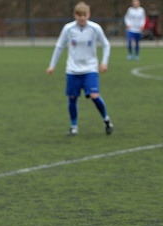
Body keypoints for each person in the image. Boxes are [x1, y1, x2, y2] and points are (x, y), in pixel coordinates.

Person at [46, 1, 113, 136]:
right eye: (79, 15)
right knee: (72, 98)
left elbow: (106, 45)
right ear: (74, 15)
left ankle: (107, 120)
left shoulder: (95, 28)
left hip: (90, 69)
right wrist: (52, 65)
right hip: (72, 70)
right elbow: (59, 46)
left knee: (94, 95)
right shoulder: (68, 29)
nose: (82, 18)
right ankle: (74, 127)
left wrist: (104, 62)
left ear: (88, 15)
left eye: (84, 15)